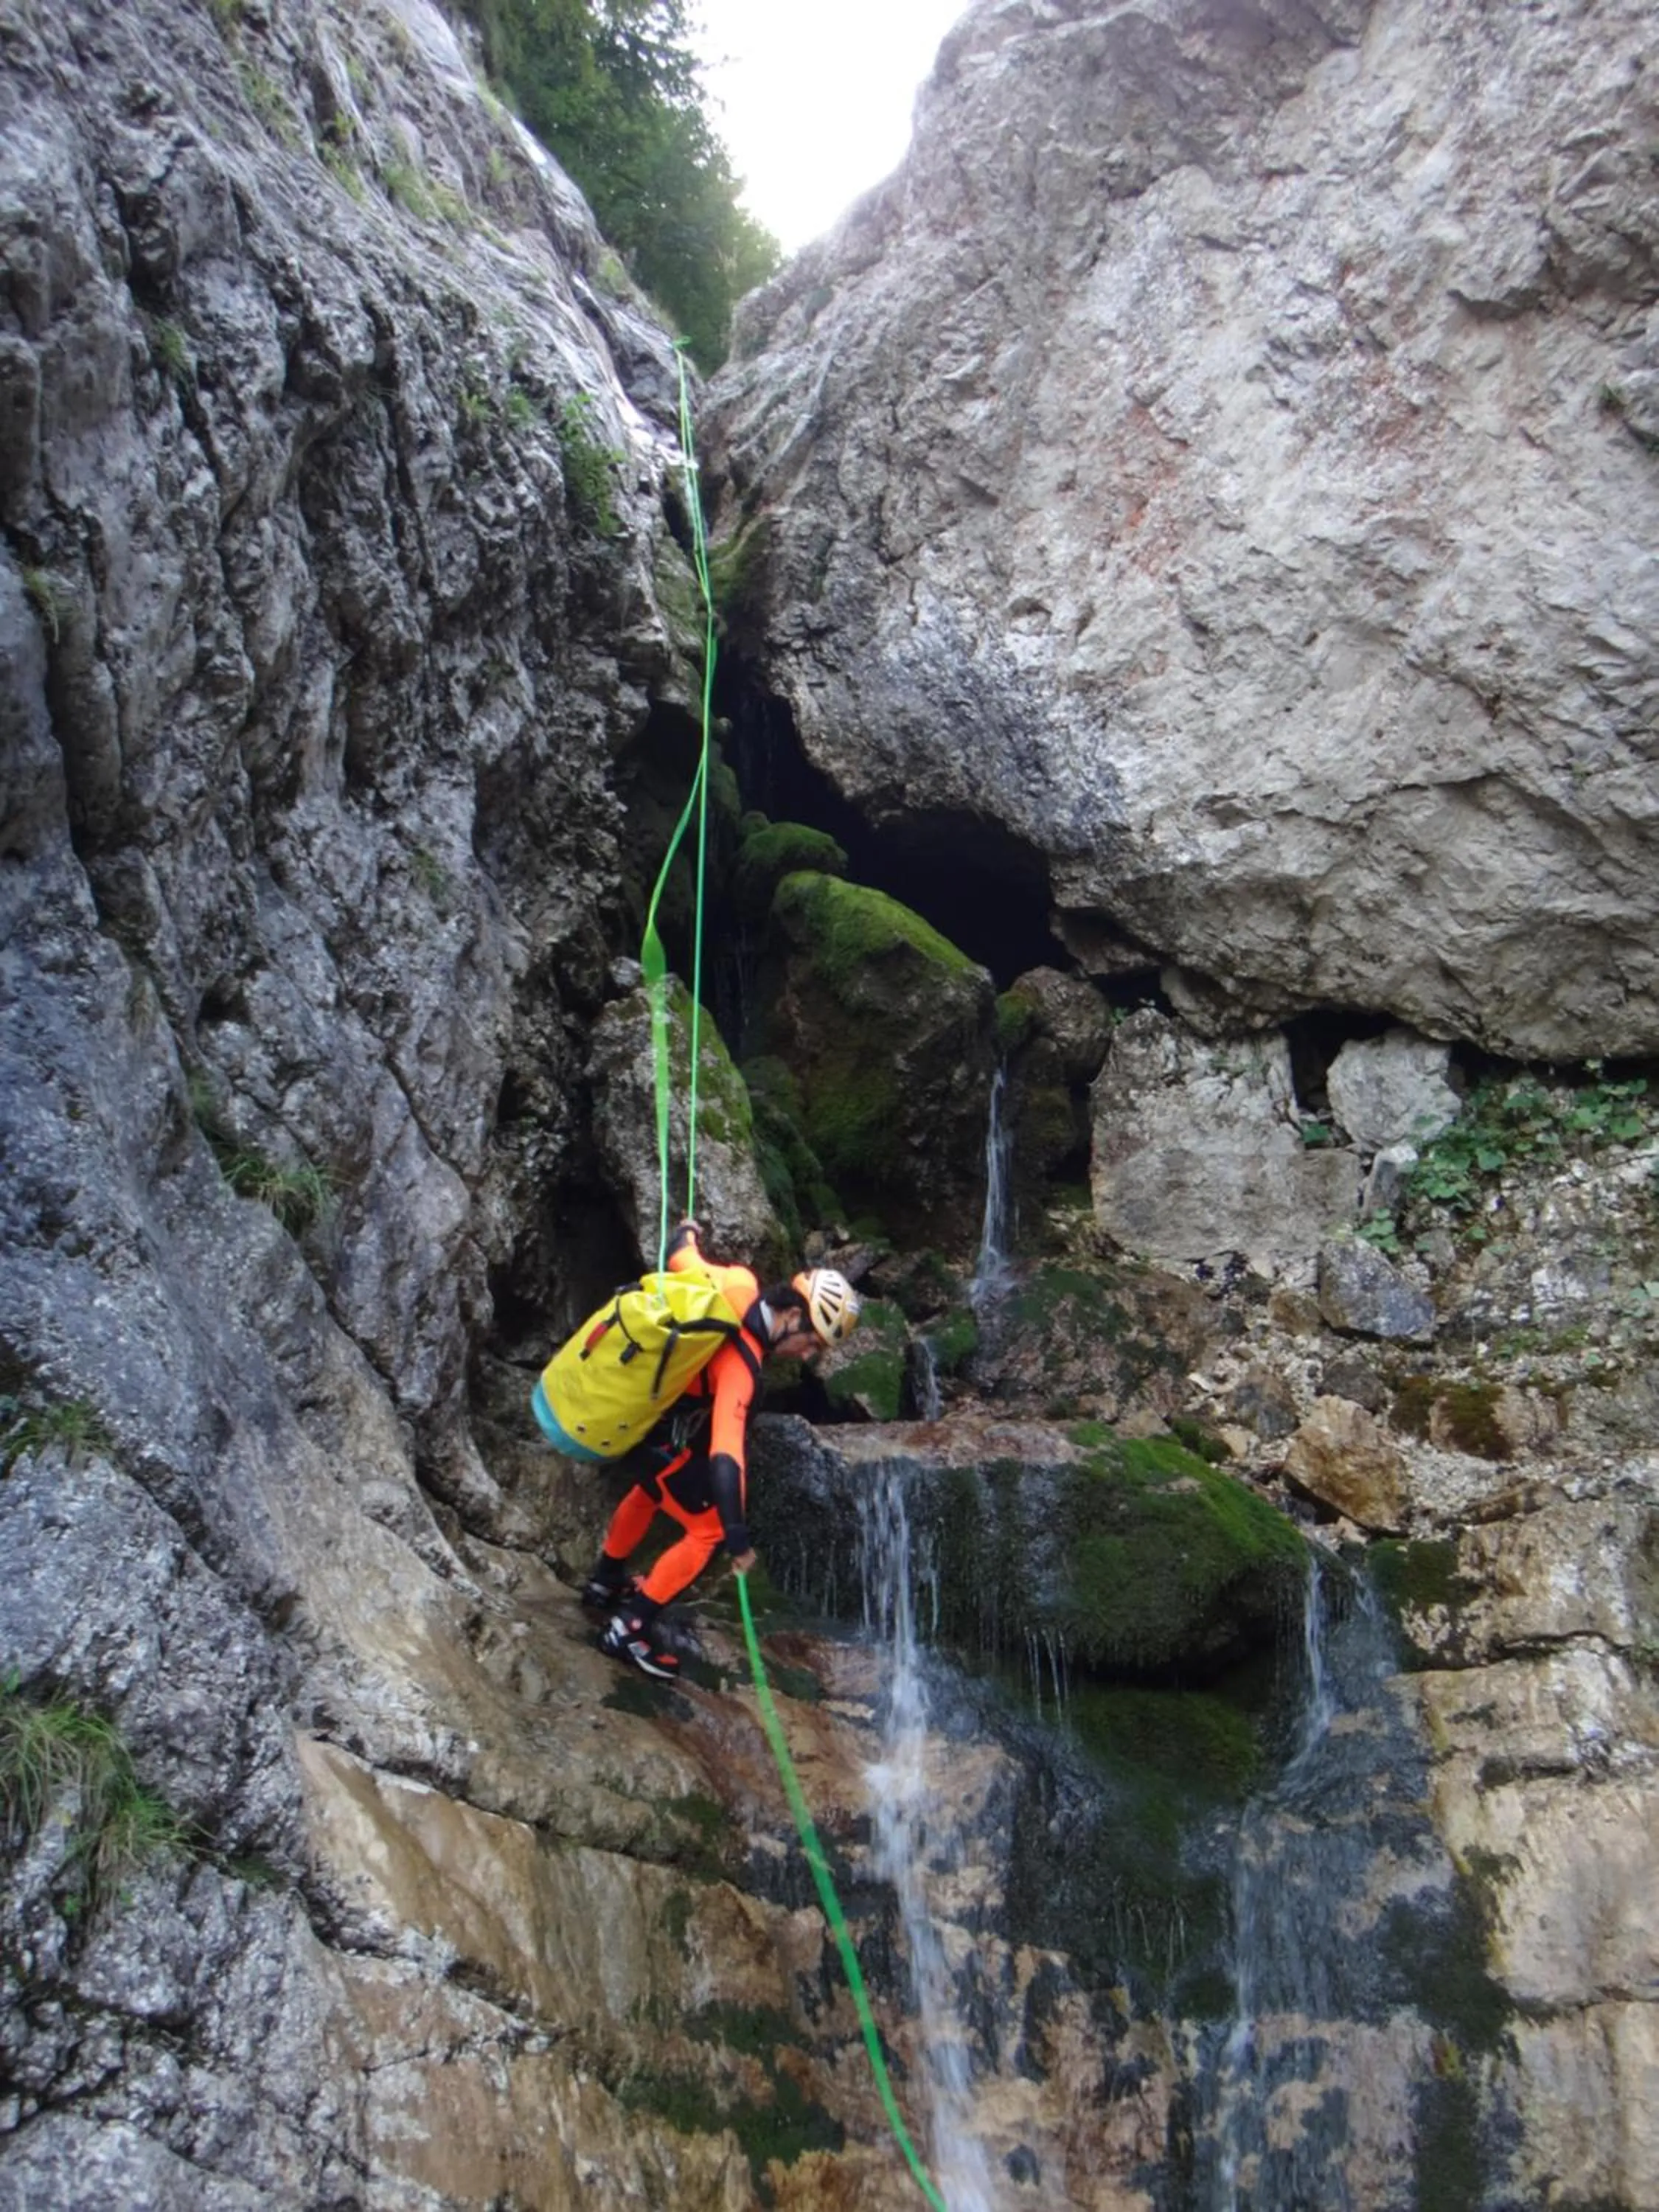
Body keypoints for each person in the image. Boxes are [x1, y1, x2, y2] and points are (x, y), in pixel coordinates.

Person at [582, 1219, 860, 1680]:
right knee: (706, 1530)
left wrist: (689, 1231)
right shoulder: (742, 1364)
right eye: (811, 1341)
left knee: (652, 1491)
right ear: (792, 1317)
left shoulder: (735, 1283)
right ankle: (628, 1627)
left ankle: (604, 1581)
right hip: (658, 1439)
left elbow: (678, 1252)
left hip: (632, 1417)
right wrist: (736, 1537)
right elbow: (726, 1456)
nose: (808, 1355)